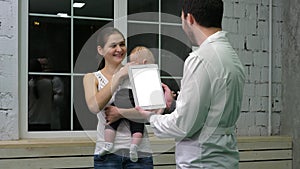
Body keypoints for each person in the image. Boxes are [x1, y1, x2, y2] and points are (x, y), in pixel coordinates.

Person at [135, 0, 246, 168]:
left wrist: (152, 117)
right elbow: (211, 113)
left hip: (201, 161)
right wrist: (174, 105)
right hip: (225, 160)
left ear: (189, 18)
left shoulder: (200, 59)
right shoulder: (232, 58)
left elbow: (183, 125)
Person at [83, 27, 153, 169]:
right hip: (107, 156)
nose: (119, 49)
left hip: (139, 155)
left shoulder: (139, 73)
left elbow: (150, 112)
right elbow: (94, 107)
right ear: (100, 50)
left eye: (122, 44)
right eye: (113, 45)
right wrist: (119, 76)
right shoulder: (91, 78)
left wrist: (120, 113)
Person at [99, 46, 156, 162]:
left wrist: (119, 112)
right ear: (145, 63)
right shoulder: (146, 76)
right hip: (135, 104)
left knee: (111, 124)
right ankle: (133, 147)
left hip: (121, 99)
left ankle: (108, 144)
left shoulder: (125, 71)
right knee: (137, 129)